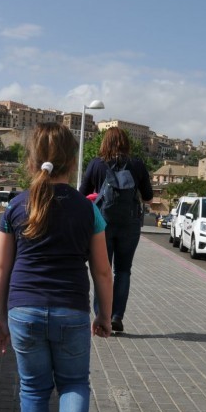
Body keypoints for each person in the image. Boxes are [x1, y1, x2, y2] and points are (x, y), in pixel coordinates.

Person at [0, 122, 113, 412]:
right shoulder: (87, 209)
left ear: (32, 158)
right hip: (71, 310)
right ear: (72, 162)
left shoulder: (16, 205)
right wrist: (104, 317)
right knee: (74, 383)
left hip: (23, 311)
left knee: (34, 388)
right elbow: (103, 271)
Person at [78, 127, 153, 334]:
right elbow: (148, 197)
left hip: (102, 225)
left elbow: (81, 195)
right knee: (123, 270)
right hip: (130, 225)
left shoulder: (96, 164)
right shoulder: (137, 164)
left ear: (105, 143)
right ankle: (117, 316)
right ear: (126, 143)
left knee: (101, 270)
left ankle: (102, 316)